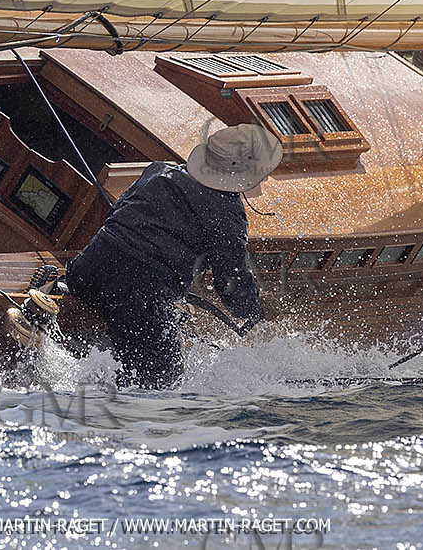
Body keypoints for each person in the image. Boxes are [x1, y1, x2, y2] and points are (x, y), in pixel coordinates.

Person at [65, 123, 278, 388]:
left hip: (85, 271)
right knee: (165, 378)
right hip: (136, 295)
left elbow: (116, 214)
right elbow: (230, 282)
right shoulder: (227, 213)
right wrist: (255, 310)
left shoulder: (158, 169)